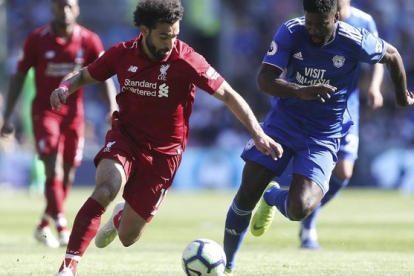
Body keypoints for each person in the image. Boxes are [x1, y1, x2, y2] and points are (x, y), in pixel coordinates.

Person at [50, 1, 283, 275]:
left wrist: (258, 133)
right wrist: (65, 86)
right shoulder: (122, 54)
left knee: (128, 238)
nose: (171, 42)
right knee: (105, 189)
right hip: (125, 137)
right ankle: (69, 266)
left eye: (175, 35)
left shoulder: (187, 60)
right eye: (164, 36)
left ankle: (121, 216)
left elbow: (229, 95)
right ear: (144, 30)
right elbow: (84, 75)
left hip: (165, 154)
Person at [222, 0, 413, 274]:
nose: (313, 30)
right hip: (282, 126)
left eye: (321, 24)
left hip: (323, 135)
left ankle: (273, 197)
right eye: (309, 22)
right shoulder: (291, 31)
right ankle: (226, 266)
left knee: (300, 208)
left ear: (336, 16)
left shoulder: (354, 39)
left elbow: (392, 55)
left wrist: (402, 95)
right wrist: (299, 90)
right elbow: (264, 80)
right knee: (247, 192)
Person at [1, 0, 117, 249]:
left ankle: (43, 225)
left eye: (69, 6)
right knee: (53, 169)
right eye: (59, 6)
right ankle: (63, 228)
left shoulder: (89, 40)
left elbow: (104, 75)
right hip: (45, 114)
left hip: (74, 116)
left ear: (77, 10)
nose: (64, 10)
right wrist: (8, 115)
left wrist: (112, 106)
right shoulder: (36, 39)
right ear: (52, 9)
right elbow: (18, 76)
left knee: (67, 175)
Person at [299, 0, 385, 250]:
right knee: (315, 169)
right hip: (316, 105)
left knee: (344, 171)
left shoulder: (363, 21)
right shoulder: (316, 17)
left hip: (347, 107)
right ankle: (303, 217)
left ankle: (307, 213)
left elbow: (380, 57)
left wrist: (374, 86)